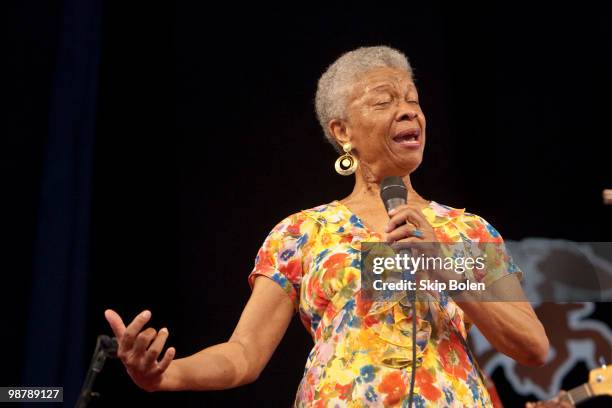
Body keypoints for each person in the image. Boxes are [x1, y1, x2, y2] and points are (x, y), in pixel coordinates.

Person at [104, 46, 549, 407]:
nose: (409, 112)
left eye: (413, 100)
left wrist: (441, 263)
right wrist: (165, 376)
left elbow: (532, 345)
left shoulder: (466, 230)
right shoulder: (302, 232)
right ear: (342, 131)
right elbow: (243, 355)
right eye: (384, 101)